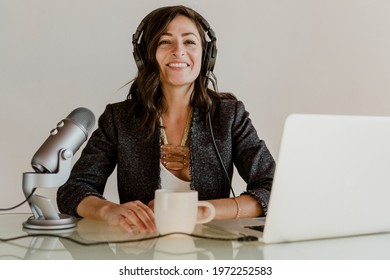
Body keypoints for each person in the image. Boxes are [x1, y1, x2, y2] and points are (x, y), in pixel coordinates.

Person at [57, 5, 275, 233]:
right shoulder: (119, 118)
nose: (178, 50)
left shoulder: (229, 115)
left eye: (189, 42)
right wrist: (108, 211)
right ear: (145, 56)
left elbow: (272, 189)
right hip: (140, 252)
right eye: (164, 42)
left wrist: (205, 210)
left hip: (211, 254)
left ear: (207, 55)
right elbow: (73, 189)